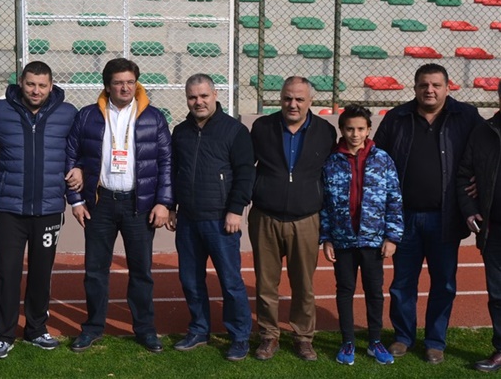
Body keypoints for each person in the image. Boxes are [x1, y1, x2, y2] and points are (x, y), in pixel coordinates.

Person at [374, 63, 483, 364]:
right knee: (402, 283)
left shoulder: (467, 116)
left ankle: (435, 341)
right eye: (424, 85)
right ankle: (403, 336)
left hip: (445, 217)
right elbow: (377, 160)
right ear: (415, 87)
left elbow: (487, 150)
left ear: (448, 87)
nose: (430, 90)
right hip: (404, 217)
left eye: (436, 85)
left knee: (444, 283)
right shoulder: (397, 117)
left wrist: (481, 176)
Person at [65, 58, 173, 353]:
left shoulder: (154, 117)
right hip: (100, 203)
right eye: (118, 83)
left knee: (141, 271)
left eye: (130, 82)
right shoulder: (87, 116)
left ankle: (145, 330)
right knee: (95, 270)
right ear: (107, 86)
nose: (125, 88)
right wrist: (75, 200)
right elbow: (71, 155)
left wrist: (163, 202)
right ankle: (93, 328)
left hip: (139, 204)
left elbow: (166, 162)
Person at [0, 61, 78, 359]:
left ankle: (36, 329)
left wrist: (81, 169)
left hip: (49, 209)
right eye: (31, 84)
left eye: (42, 85)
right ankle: (4, 334)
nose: (36, 91)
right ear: (21, 82)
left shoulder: (68, 113)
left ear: (51, 86)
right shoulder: (0, 111)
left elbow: (79, 152)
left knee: (41, 273)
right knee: (7, 273)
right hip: (10, 209)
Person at [166, 74, 254, 361]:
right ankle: (199, 329)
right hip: (188, 220)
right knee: (190, 280)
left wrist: (235, 209)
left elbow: (245, 173)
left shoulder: (235, 131)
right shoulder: (180, 131)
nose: (198, 102)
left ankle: (239, 336)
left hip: (221, 220)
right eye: (192, 97)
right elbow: (173, 171)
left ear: (215, 95)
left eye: (204, 96)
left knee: (230, 282)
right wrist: (171, 206)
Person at [248, 76, 337, 361]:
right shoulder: (262, 127)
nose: (293, 104)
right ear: (280, 98)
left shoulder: (325, 131)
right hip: (266, 216)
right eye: (287, 98)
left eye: (299, 99)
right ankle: (268, 335)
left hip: (306, 219)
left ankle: (303, 337)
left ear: (311, 100)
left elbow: (329, 175)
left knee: (304, 285)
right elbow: (247, 167)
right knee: (266, 284)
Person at [320, 104, 403, 365]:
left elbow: (394, 198)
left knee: (374, 290)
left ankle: (375, 341)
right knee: (345, 290)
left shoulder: (383, 159)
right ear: (341, 130)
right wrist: (326, 238)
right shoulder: (331, 162)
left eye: (360, 129)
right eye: (349, 129)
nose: (354, 134)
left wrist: (392, 236)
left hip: (373, 239)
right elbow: (324, 203)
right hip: (342, 239)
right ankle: (348, 342)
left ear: (368, 130)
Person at [457, 81, 501, 372]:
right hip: (494, 228)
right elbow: (463, 175)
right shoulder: (483, 132)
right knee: (498, 294)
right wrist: (470, 209)